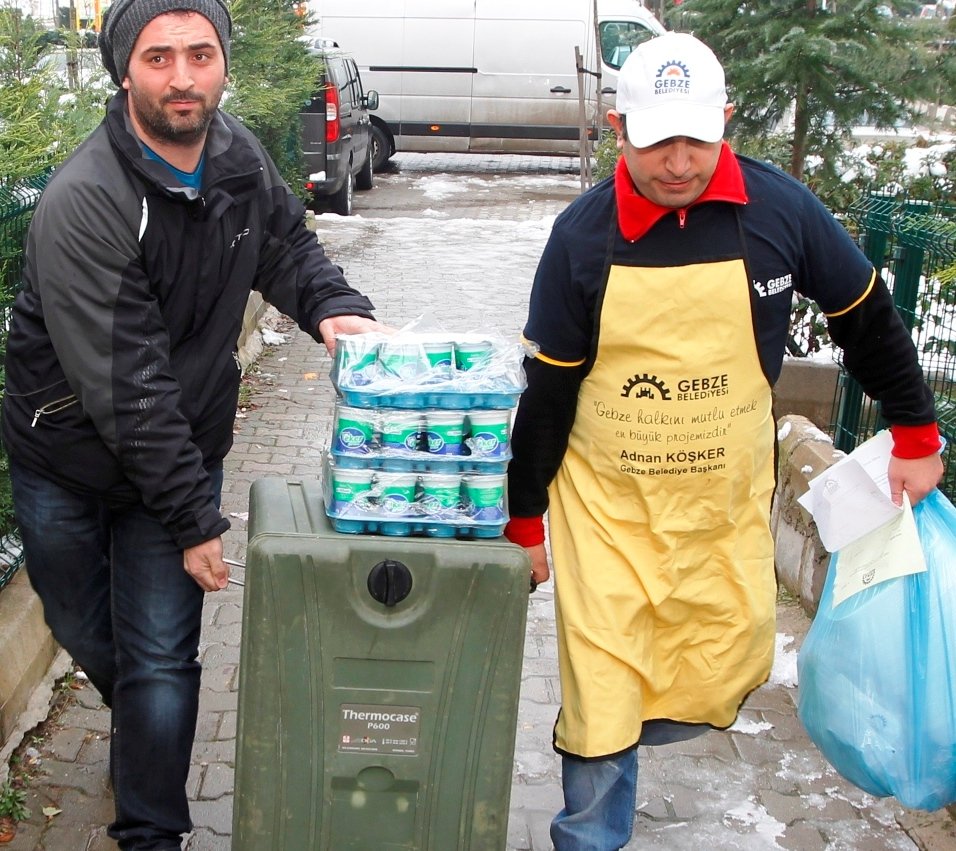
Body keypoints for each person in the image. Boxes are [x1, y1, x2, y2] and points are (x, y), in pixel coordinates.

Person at [503, 31, 944, 851]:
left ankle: (637, 728)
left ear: (726, 122)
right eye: (656, 139)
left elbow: (865, 319)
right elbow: (549, 394)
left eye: (696, 139)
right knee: (604, 694)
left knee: (725, 661)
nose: (677, 162)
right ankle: (589, 833)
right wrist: (526, 522)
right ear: (616, 127)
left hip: (719, 508)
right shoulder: (580, 238)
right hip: (608, 515)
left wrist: (915, 428)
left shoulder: (780, 211)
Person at [0, 1, 384, 848]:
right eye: (160, 57)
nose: (183, 77)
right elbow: (126, 385)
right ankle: (147, 733)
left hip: (177, 444)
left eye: (201, 54)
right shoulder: (85, 201)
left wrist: (334, 308)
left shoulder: (238, 154)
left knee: (163, 659)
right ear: (123, 70)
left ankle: (151, 829)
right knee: (83, 628)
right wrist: (196, 521)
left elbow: (286, 246)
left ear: (222, 61)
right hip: (64, 451)